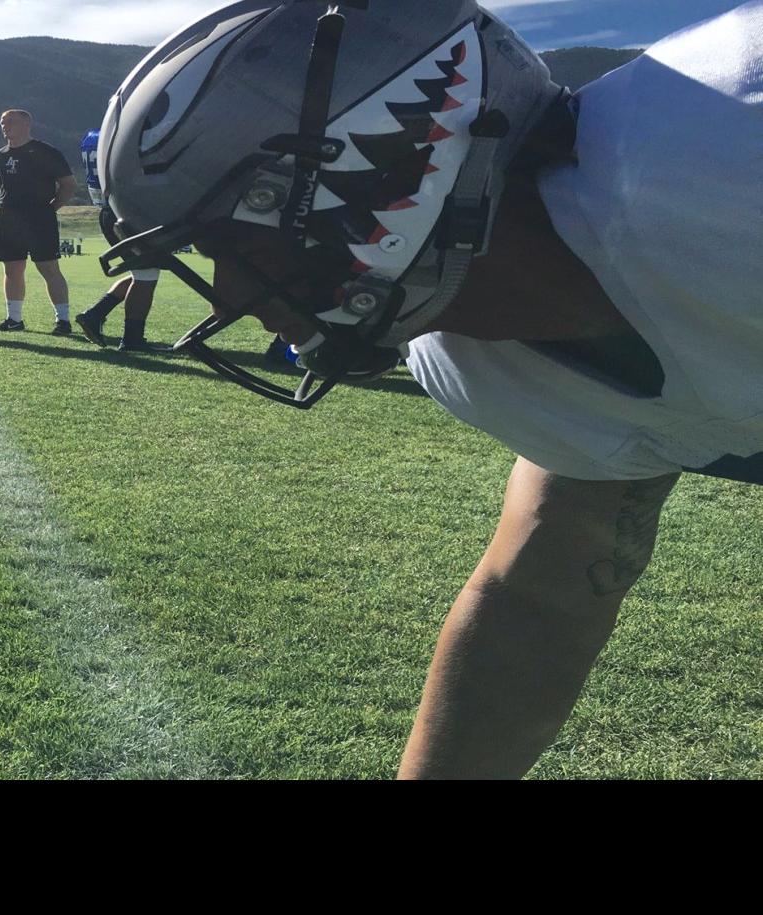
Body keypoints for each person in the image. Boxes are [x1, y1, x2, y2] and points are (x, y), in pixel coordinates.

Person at [101, 0, 763, 778]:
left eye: (225, 243)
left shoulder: (727, 157)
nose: (222, 297)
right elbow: (546, 595)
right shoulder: (473, 362)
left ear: (378, 163)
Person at [72, 129, 168, 352]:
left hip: (110, 210)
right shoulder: (121, 134)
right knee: (146, 277)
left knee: (142, 273)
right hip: (126, 211)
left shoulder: (93, 136)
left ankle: (95, 315)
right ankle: (132, 339)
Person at [0, 109, 76, 335]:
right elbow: (3, 187)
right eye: (2, 123)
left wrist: (50, 208)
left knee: (49, 267)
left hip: (39, 216)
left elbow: (68, 184)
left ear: (27, 124)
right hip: (8, 217)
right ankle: (14, 319)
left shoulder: (46, 152)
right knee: (12, 269)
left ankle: (63, 321)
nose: (5, 126)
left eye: (11, 122)